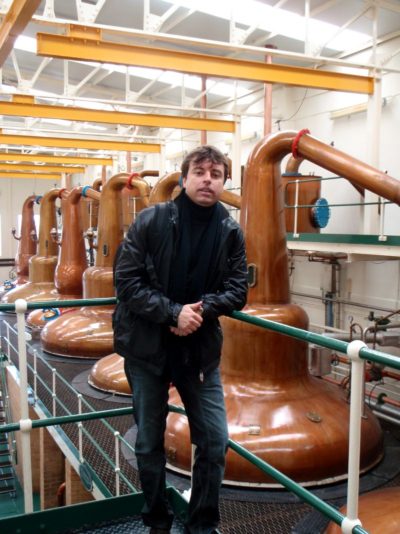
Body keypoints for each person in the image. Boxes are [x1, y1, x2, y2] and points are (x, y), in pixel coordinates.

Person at [113, 145, 248, 534]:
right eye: (200, 172)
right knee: (148, 442)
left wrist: (198, 312)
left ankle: (201, 524)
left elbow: (238, 290)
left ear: (224, 183)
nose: (208, 180)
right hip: (147, 351)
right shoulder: (151, 220)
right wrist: (172, 313)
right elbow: (126, 281)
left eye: (216, 174)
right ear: (184, 178)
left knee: (215, 440)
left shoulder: (230, 231)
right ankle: (157, 520)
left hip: (198, 353)